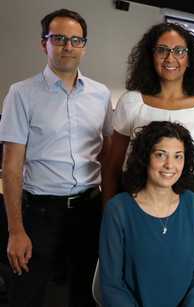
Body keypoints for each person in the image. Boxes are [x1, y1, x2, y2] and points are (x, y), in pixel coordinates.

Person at [0, 8, 112, 307]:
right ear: (44, 43)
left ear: (84, 46)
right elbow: (11, 167)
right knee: (28, 295)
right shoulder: (21, 94)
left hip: (88, 211)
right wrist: (15, 230)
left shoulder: (100, 95)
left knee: (85, 294)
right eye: (59, 38)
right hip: (40, 215)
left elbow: (109, 151)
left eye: (76, 40)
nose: (68, 46)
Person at [104, 22, 194, 206]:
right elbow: (112, 166)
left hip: (189, 197)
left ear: (189, 59)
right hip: (135, 195)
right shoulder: (131, 102)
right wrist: (108, 211)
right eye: (162, 50)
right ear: (151, 56)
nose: (170, 58)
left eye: (179, 51)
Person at [99, 121, 194, 306]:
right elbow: (112, 284)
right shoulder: (118, 210)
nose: (170, 165)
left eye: (178, 156)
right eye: (161, 155)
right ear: (145, 157)